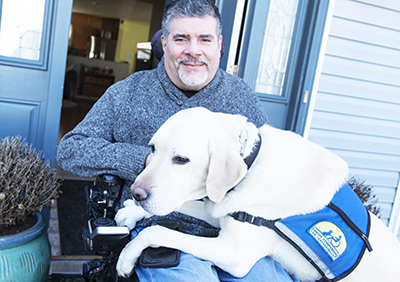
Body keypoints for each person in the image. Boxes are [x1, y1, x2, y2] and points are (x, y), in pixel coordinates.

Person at [57, 0, 299, 281]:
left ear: (219, 45)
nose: (193, 50)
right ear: (164, 42)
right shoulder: (127, 94)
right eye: (181, 38)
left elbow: (266, 167)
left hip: (231, 231)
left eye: (204, 39)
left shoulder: (240, 96)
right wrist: (146, 160)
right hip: (157, 227)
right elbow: (71, 149)